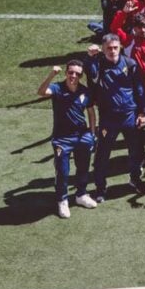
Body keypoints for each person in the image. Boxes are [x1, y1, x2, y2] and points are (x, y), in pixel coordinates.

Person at [84, 34, 145, 202]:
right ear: (103, 49)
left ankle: (135, 179)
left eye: (115, 47)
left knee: (136, 152)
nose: (112, 51)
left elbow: (139, 90)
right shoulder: (97, 65)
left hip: (130, 116)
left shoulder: (130, 64)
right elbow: (90, 74)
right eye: (109, 48)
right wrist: (89, 58)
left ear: (120, 47)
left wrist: (142, 113)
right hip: (108, 118)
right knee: (102, 155)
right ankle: (100, 189)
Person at [36, 62, 98, 218]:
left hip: (82, 136)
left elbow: (91, 113)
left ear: (81, 76)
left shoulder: (85, 91)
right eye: (71, 72)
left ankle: (81, 195)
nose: (74, 76)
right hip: (62, 139)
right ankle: (62, 200)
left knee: (83, 167)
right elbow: (41, 92)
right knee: (63, 172)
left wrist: (92, 133)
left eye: (77, 74)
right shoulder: (57, 88)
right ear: (66, 73)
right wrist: (51, 75)